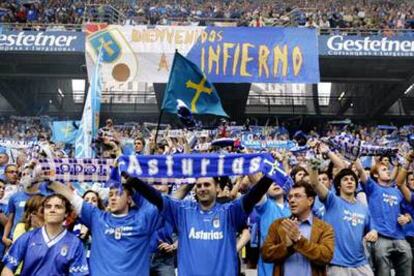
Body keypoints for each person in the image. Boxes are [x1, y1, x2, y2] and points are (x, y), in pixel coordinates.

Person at [127, 173, 274, 276]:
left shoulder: (230, 211)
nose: (202, 188)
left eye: (207, 184)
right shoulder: (182, 211)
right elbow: (156, 197)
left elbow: (253, 196)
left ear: (217, 188)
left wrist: (270, 175)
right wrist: (133, 180)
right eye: (199, 185)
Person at [48, 180, 160, 276]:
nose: (113, 198)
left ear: (129, 199)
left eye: (118, 194)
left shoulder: (143, 219)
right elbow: (70, 196)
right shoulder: (96, 218)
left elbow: (161, 202)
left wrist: (133, 183)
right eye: (110, 195)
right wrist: (49, 181)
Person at [309, 163, 376, 275]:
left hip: (361, 263)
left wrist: (374, 232)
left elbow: (372, 229)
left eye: (352, 180)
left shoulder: (363, 208)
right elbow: (315, 183)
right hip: (337, 264)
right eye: (345, 179)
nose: (349, 181)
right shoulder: (332, 200)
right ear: (338, 186)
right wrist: (314, 163)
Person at [2, 194, 88, 276]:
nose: (52, 210)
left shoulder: (75, 244)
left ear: (66, 213)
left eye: (58, 207)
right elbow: (6, 270)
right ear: (43, 212)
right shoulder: (27, 237)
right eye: (48, 206)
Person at [261, 181, 334, 276]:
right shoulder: (278, 225)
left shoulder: (324, 228)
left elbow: (326, 256)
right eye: (290, 196)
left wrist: (299, 240)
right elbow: (266, 254)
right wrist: (287, 246)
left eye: (297, 196)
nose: (291, 200)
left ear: (310, 200)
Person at [355, 158, 413, 276]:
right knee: (382, 267)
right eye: (384, 169)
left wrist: (407, 218)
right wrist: (355, 158)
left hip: (399, 237)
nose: (388, 172)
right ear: (375, 174)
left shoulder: (398, 192)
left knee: (408, 259)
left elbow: (408, 212)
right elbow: (361, 171)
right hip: (381, 237)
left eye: (388, 169)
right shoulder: (372, 187)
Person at [254, 181, 291, 276]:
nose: (275, 184)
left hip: (290, 263)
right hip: (269, 265)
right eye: (271, 182)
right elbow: (258, 186)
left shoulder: (293, 207)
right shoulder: (264, 205)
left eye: (279, 180)